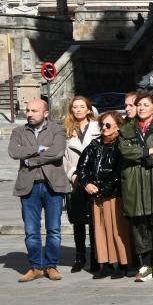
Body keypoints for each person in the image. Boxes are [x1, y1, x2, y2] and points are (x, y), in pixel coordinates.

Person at [8, 99, 72, 282]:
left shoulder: (57, 130)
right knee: (31, 230)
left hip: (53, 186)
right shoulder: (18, 131)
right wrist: (40, 148)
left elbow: (58, 152)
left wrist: (31, 159)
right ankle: (36, 267)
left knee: (54, 229)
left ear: (45, 113)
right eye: (28, 110)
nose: (29, 113)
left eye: (34, 110)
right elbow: (14, 152)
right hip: (28, 187)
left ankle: (51, 266)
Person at [118, 92, 153, 283]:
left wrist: (147, 158)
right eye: (138, 104)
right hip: (135, 183)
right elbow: (125, 151)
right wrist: (146, 151)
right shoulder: (126, 129)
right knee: (139, 224)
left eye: (145, 104)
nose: (141, 108)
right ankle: (145, 264)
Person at [75, 112, 132, 279]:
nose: (104, 128)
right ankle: (105, 264)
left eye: (108, 125)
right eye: (102, 125)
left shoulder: (122, 145)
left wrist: (103, 188)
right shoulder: (94, 145)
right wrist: (86, 184)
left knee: (117, 230)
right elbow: (82, 167)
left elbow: (119, 171)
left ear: (118, 126)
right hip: (95, 195)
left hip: (113, 194)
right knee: (100, 232)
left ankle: (122, 264)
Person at [63, 96, 100, 273]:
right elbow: (64, 157)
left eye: (81, 107)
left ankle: (95, 257)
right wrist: (72, 174)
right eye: (74, 107)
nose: (77, 110)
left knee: (94, 222)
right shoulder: (67, 130)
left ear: (88, 110)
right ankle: (79, 257)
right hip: (76, 181)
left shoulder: (97, 127)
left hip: (93, 181)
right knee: (78, 222)